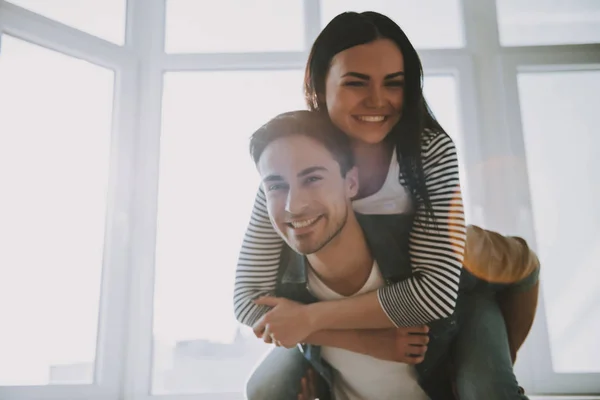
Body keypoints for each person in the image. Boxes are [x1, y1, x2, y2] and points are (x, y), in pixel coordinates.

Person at [233, 11, 540, 399]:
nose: (377, 100)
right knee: (266, 387)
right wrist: (357, 339)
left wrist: (309, 318)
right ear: (320, 86)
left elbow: (437, 293)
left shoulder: (427, 151)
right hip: (345, 307)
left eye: (393, 83)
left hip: (452, 297)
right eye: (356, 83)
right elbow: (247, 299)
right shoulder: (299, 154)